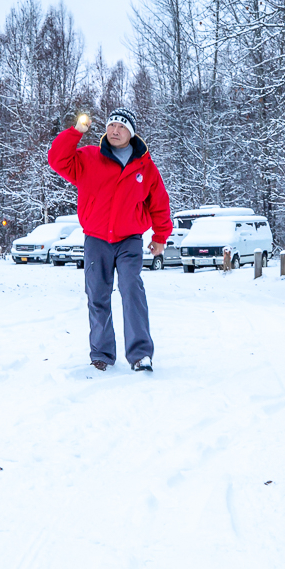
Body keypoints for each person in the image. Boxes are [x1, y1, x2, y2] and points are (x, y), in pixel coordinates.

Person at [48, 108, 172, 372]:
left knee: (131, 290)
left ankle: (140, 355)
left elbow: (159, 204)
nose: (115, 130)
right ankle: (102, 354)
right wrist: (76, 132)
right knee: (97, 296)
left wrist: (160, 237)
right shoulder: (89, 157)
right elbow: (57, 159)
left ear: (132, 132)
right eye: (111, 125)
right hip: (96, 239)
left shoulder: (145, 166)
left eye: (121, 126)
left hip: (129, 240)